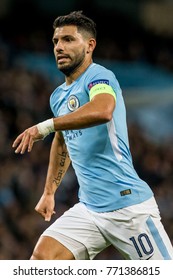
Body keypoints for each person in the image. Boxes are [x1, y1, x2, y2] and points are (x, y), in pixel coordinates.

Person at [12, 10, 173, 260]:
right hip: (89, 209)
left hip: (128, 207)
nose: (59, 47)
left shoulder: (99, 76)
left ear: (89, 46)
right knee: (42, 260)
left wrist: (44, 126)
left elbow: (104, 109)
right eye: (55, 41)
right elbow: (62, 140)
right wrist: (49, 191)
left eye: (68, 40)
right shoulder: (57, 96)